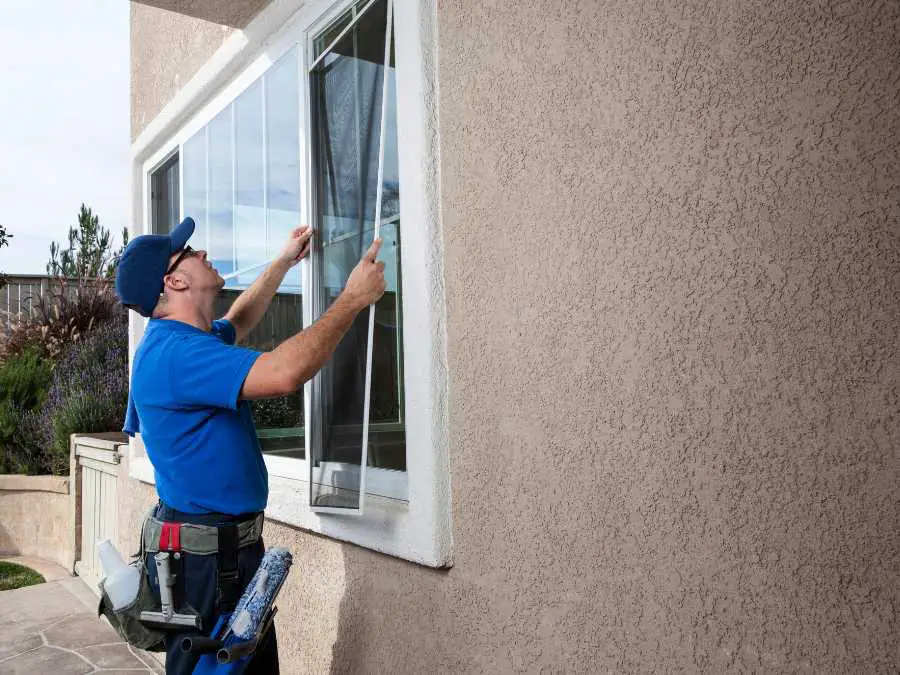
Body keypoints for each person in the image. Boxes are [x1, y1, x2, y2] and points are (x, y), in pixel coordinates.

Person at [114, 217, 385, 674]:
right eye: (190, 252)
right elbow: (284, 373)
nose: (202, 253)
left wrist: (282, 262)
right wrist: (353, 298)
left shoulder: (189, 339)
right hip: (206, 568)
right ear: (175, 281)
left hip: (224, 556)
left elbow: (239, 319)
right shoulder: (177, 356)